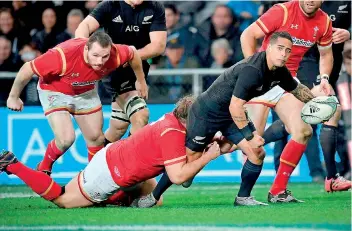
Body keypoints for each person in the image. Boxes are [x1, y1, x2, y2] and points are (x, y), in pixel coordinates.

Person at [135, 31, 321, 208]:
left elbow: (297, 90)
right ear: (268, 48)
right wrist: (250, 136)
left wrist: (318, 103)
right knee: (185, 169)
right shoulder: (253, 70)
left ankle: (243, 197)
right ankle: (153, 196)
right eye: (280, 48)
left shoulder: (280, 72)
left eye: (288, 50)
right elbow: (236, 106)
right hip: (205, 113)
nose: (284, 54)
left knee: (257, 153)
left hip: (230, 115)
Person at [0, 96, 222, 209]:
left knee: (157, 200)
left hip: (116, 160)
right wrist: (209, 156)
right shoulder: (172, 133)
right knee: (62, 198)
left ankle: (115, 197)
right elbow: (180, 177)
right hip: (108, 172)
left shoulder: (172, 119)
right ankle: (12, 164)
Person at [240, 0, 347, 202]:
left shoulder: (324, 21)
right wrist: (253, 70)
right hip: (261, 80)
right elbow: (248, 34)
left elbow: (326, 54)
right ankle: (201, 153)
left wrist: (324, 77)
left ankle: (278, 191)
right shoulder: (282, 11)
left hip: (287, 83)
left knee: (304, 131)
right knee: (251, 143)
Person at [6, 31, 147, 175]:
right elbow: (27, 68)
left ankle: (94, 177)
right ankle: (44, 166)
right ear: (86, 49)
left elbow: (133, 53)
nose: (100, 61)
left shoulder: (114, 54)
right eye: (95, 55)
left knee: (96, 139)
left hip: (85, 90)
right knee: (66, 139)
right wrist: (13, 97)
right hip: (54, 91)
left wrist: (140, 81)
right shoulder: (63, 56)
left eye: (104, 56)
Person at [75, 0, 167, 144]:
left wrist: (130, 56)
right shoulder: (110, 5)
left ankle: (96, 162)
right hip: (113, 69)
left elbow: (158, 46)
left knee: (118, 127)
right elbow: (84, 26)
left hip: (137, 70)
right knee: (141, 115)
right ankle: (127, 162)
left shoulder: (154, 7)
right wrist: (84, 49)